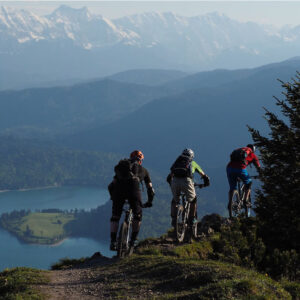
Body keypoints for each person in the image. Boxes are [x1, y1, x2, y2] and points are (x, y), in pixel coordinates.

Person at [108, 150, 155, 251]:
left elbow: (111, 185)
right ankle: (133, 240)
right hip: (133, 191)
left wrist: (113, 198)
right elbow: (150, 189)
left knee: (115, 216)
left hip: (118, 191)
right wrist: (149, 201)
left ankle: (113, 241)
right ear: (141, 160)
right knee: (137, 215)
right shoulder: (144, 171)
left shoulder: (122, 170)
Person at [167, 148, 210, 228]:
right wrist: (206, 182)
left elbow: (169, 177)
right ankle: (192, 219)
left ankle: (174, 218)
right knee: (193, 200)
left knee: (175, 200)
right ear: (192, 156)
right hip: (187, 181)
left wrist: (172, 185)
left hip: (175, 181)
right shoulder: (192, 163)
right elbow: (203, 175)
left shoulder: (177, 161)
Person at [227, 144, 261, 218]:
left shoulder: (240, 149)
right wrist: (261, 174)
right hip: (240, 168)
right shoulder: (253, 155)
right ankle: (245, 200)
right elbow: (258, 167)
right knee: (249, 182)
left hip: (229, 168)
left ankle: (230, 203)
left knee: (233, 187)